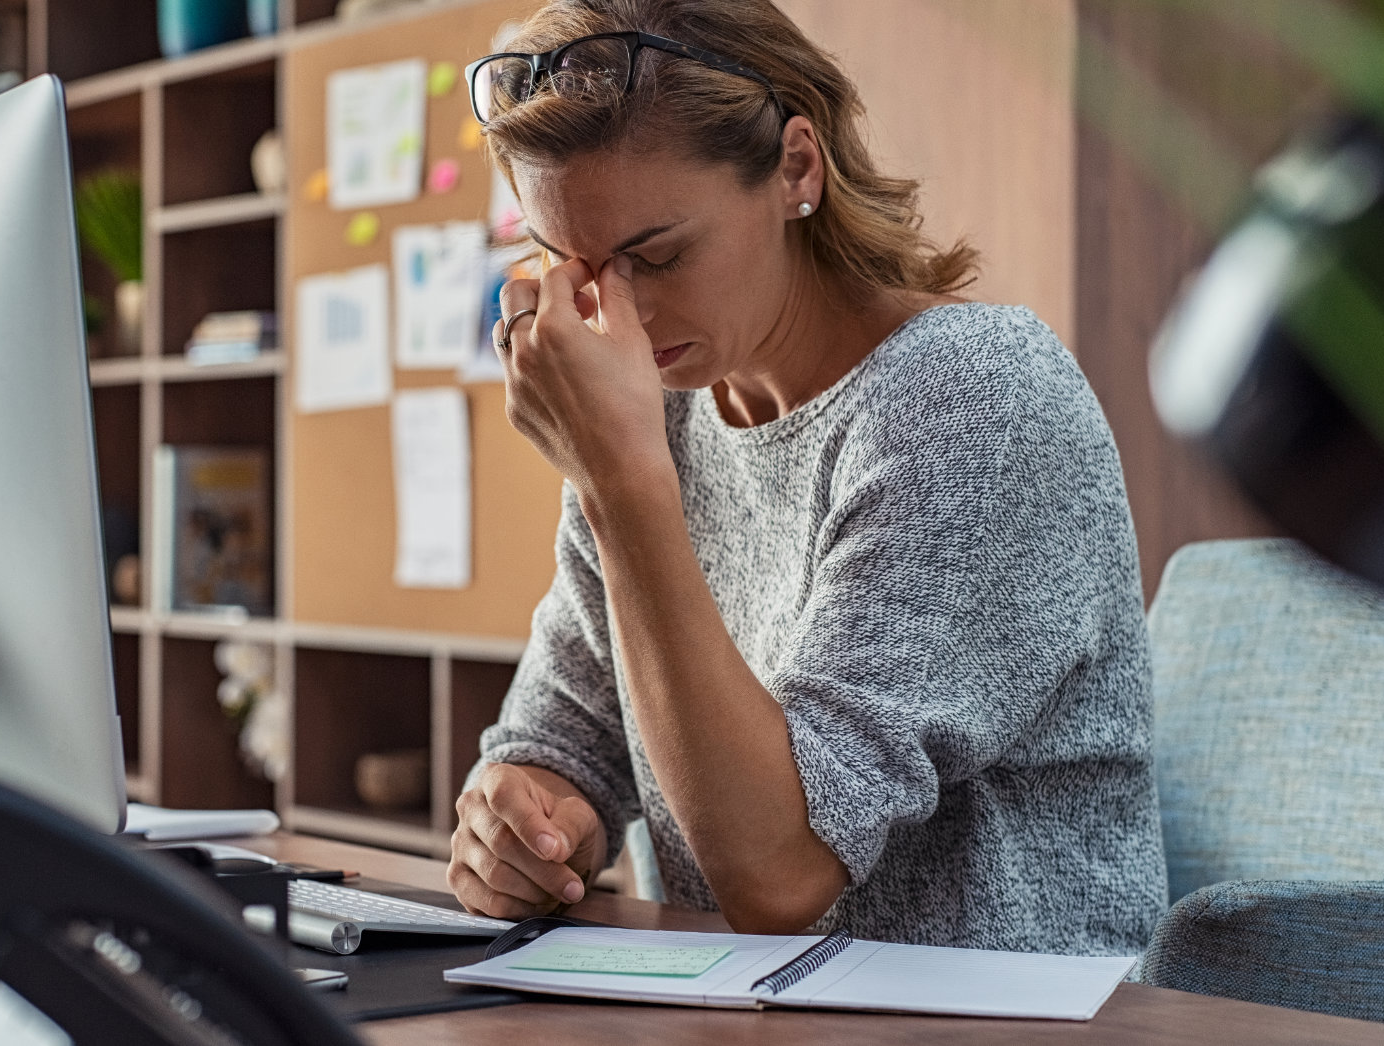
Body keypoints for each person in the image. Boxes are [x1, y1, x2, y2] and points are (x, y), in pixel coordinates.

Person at [448, 0, 1165, 954]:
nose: (613, 313)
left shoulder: (973, 400)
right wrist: (524, 824)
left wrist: (621, 483)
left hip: (998, 1021)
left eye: (656, 256)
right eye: (577, 266)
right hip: (744, 1012)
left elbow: (782, 872)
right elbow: (568, 739)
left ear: (797, 166)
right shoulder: (659, 413)